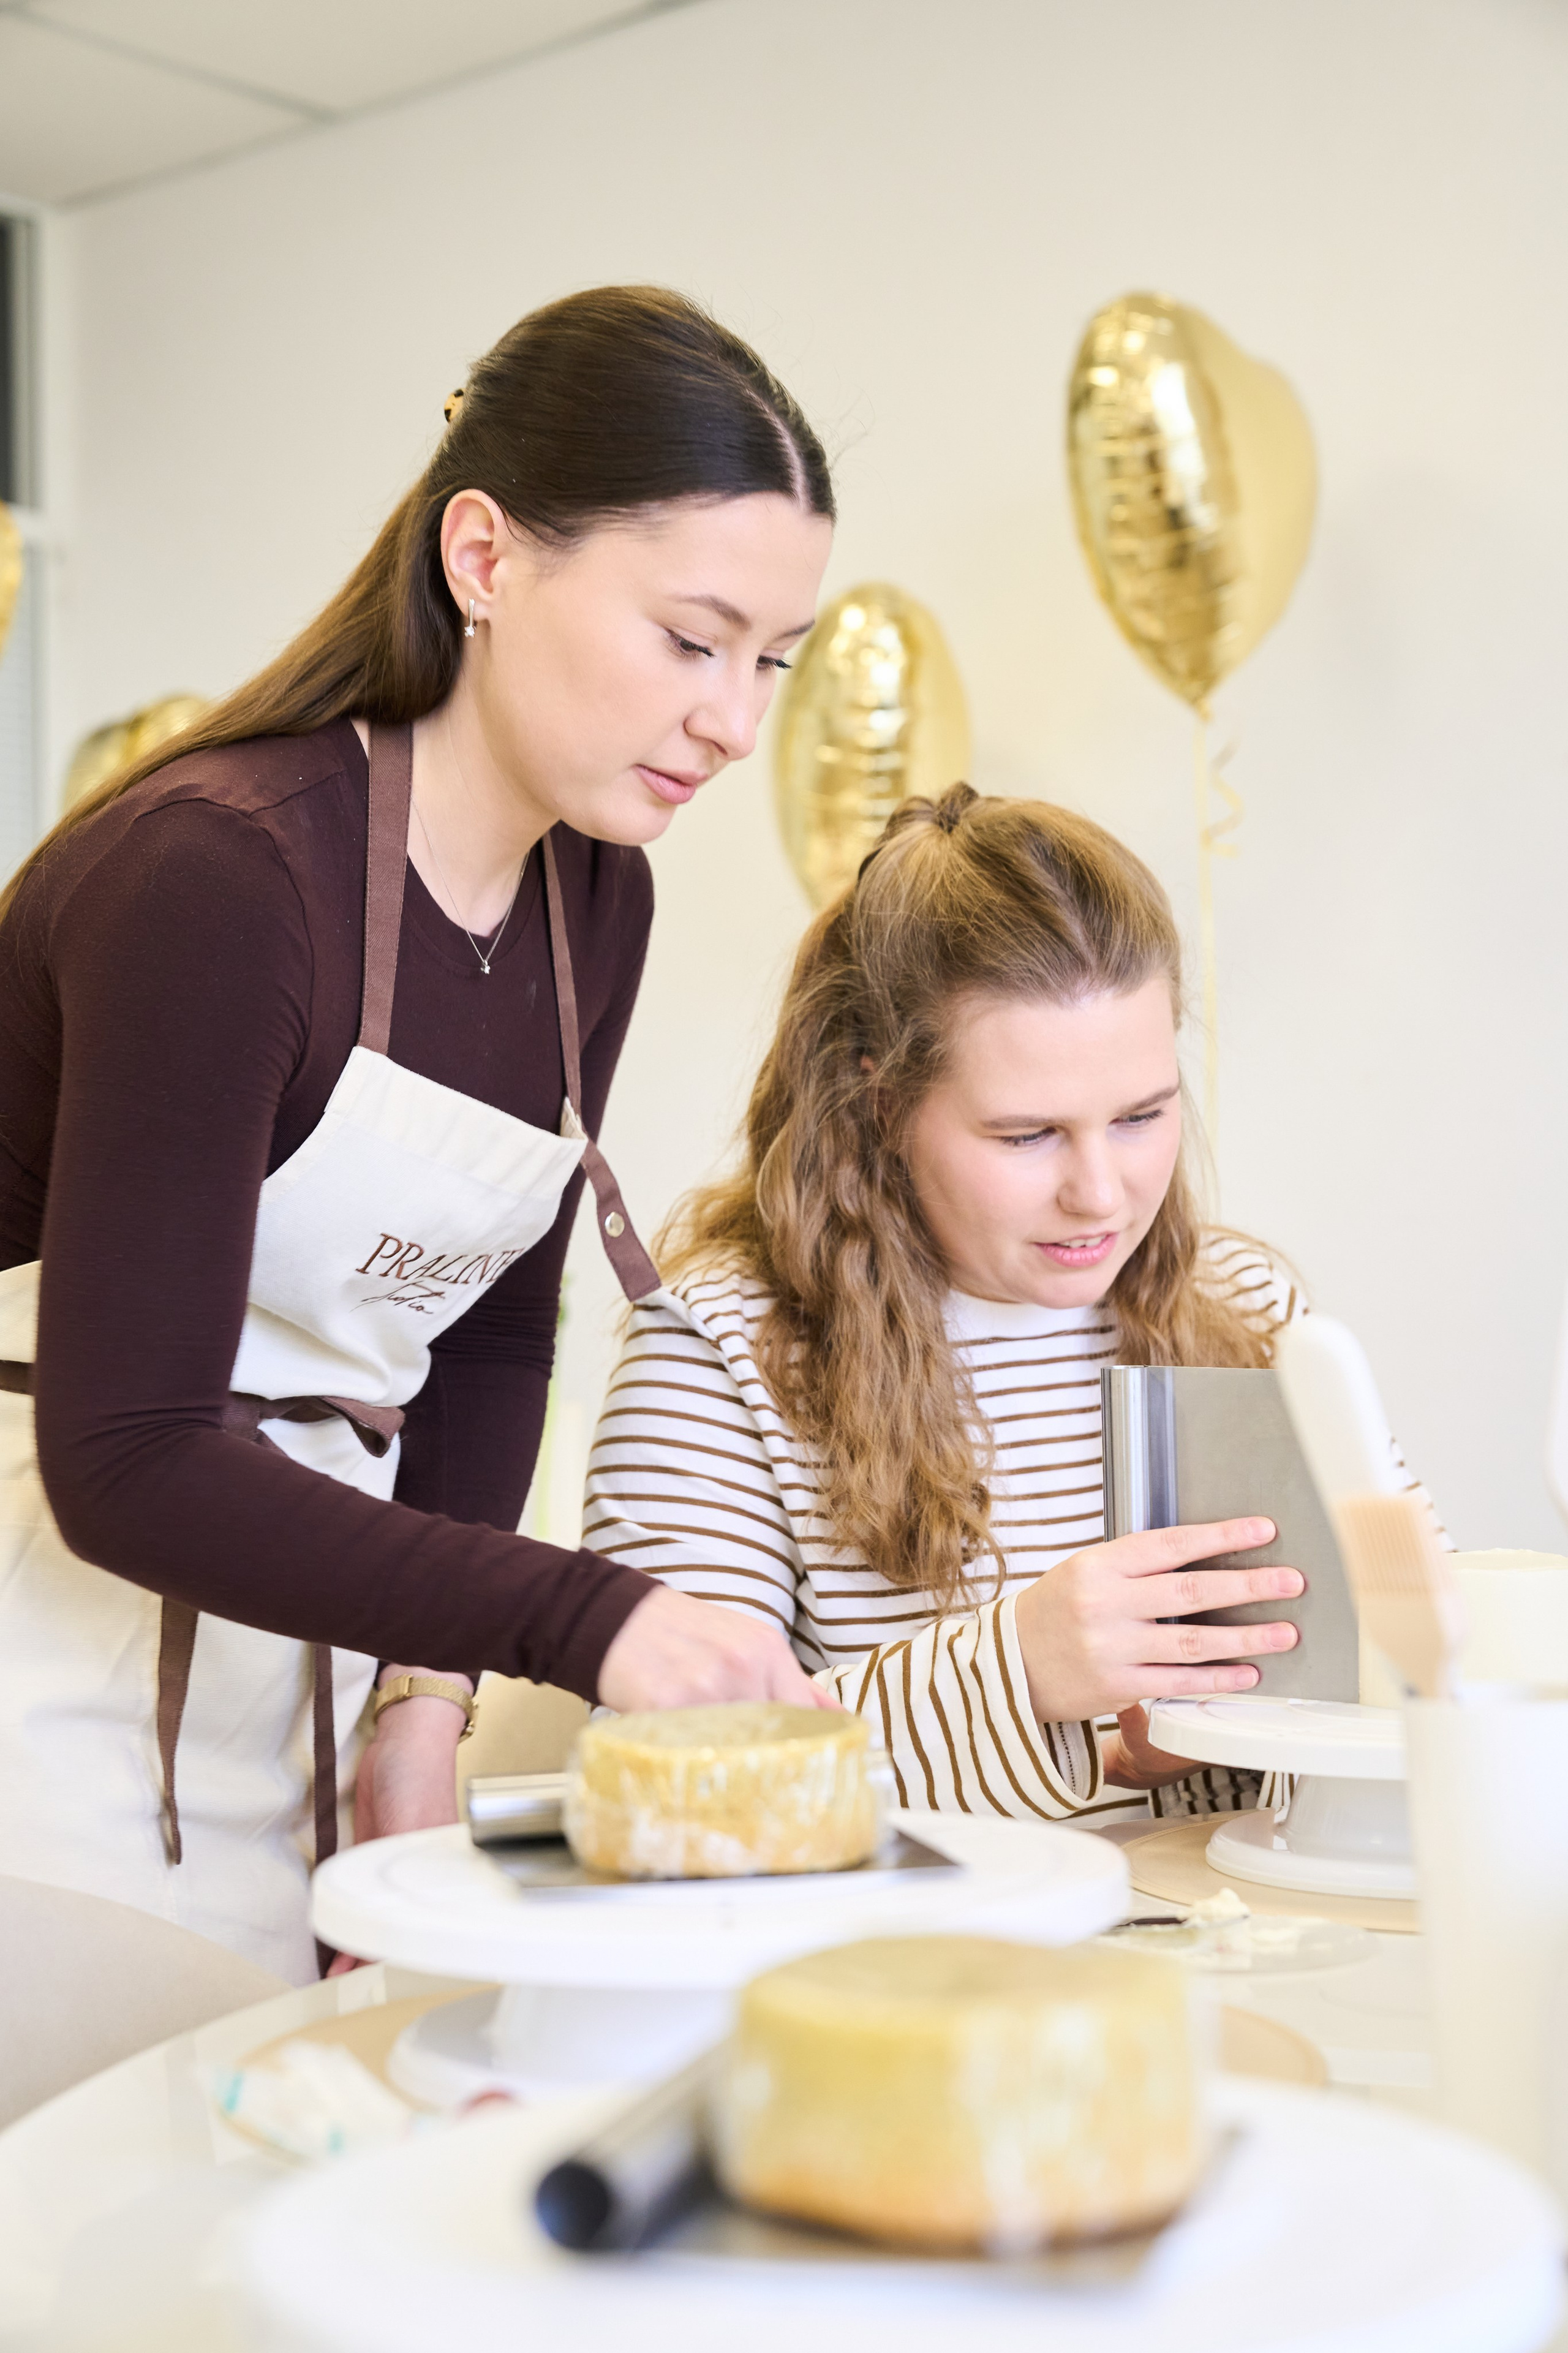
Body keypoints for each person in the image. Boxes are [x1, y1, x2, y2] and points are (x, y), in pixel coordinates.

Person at [0, 285, 837, 1982]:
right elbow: (127, 1456)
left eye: (775, 659)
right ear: (485, 557)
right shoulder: (222, 879)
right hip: (38, 1688)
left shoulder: (593, 897)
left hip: (287, 1677)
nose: (737, 723)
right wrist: (581, 1619)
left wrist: (419, 1700)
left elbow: (491, 1327)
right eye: (692, 639)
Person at [582, 784, 1319, 1827]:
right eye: (1026, 1135)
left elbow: (1410, 1693)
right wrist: (1019, 1674)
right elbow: (669, 1794)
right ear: (882, 1101)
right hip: (890, 1979)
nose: (1101, 1193)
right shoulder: (720, 1356)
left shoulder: (1246, 1308)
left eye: (1143, 1114)